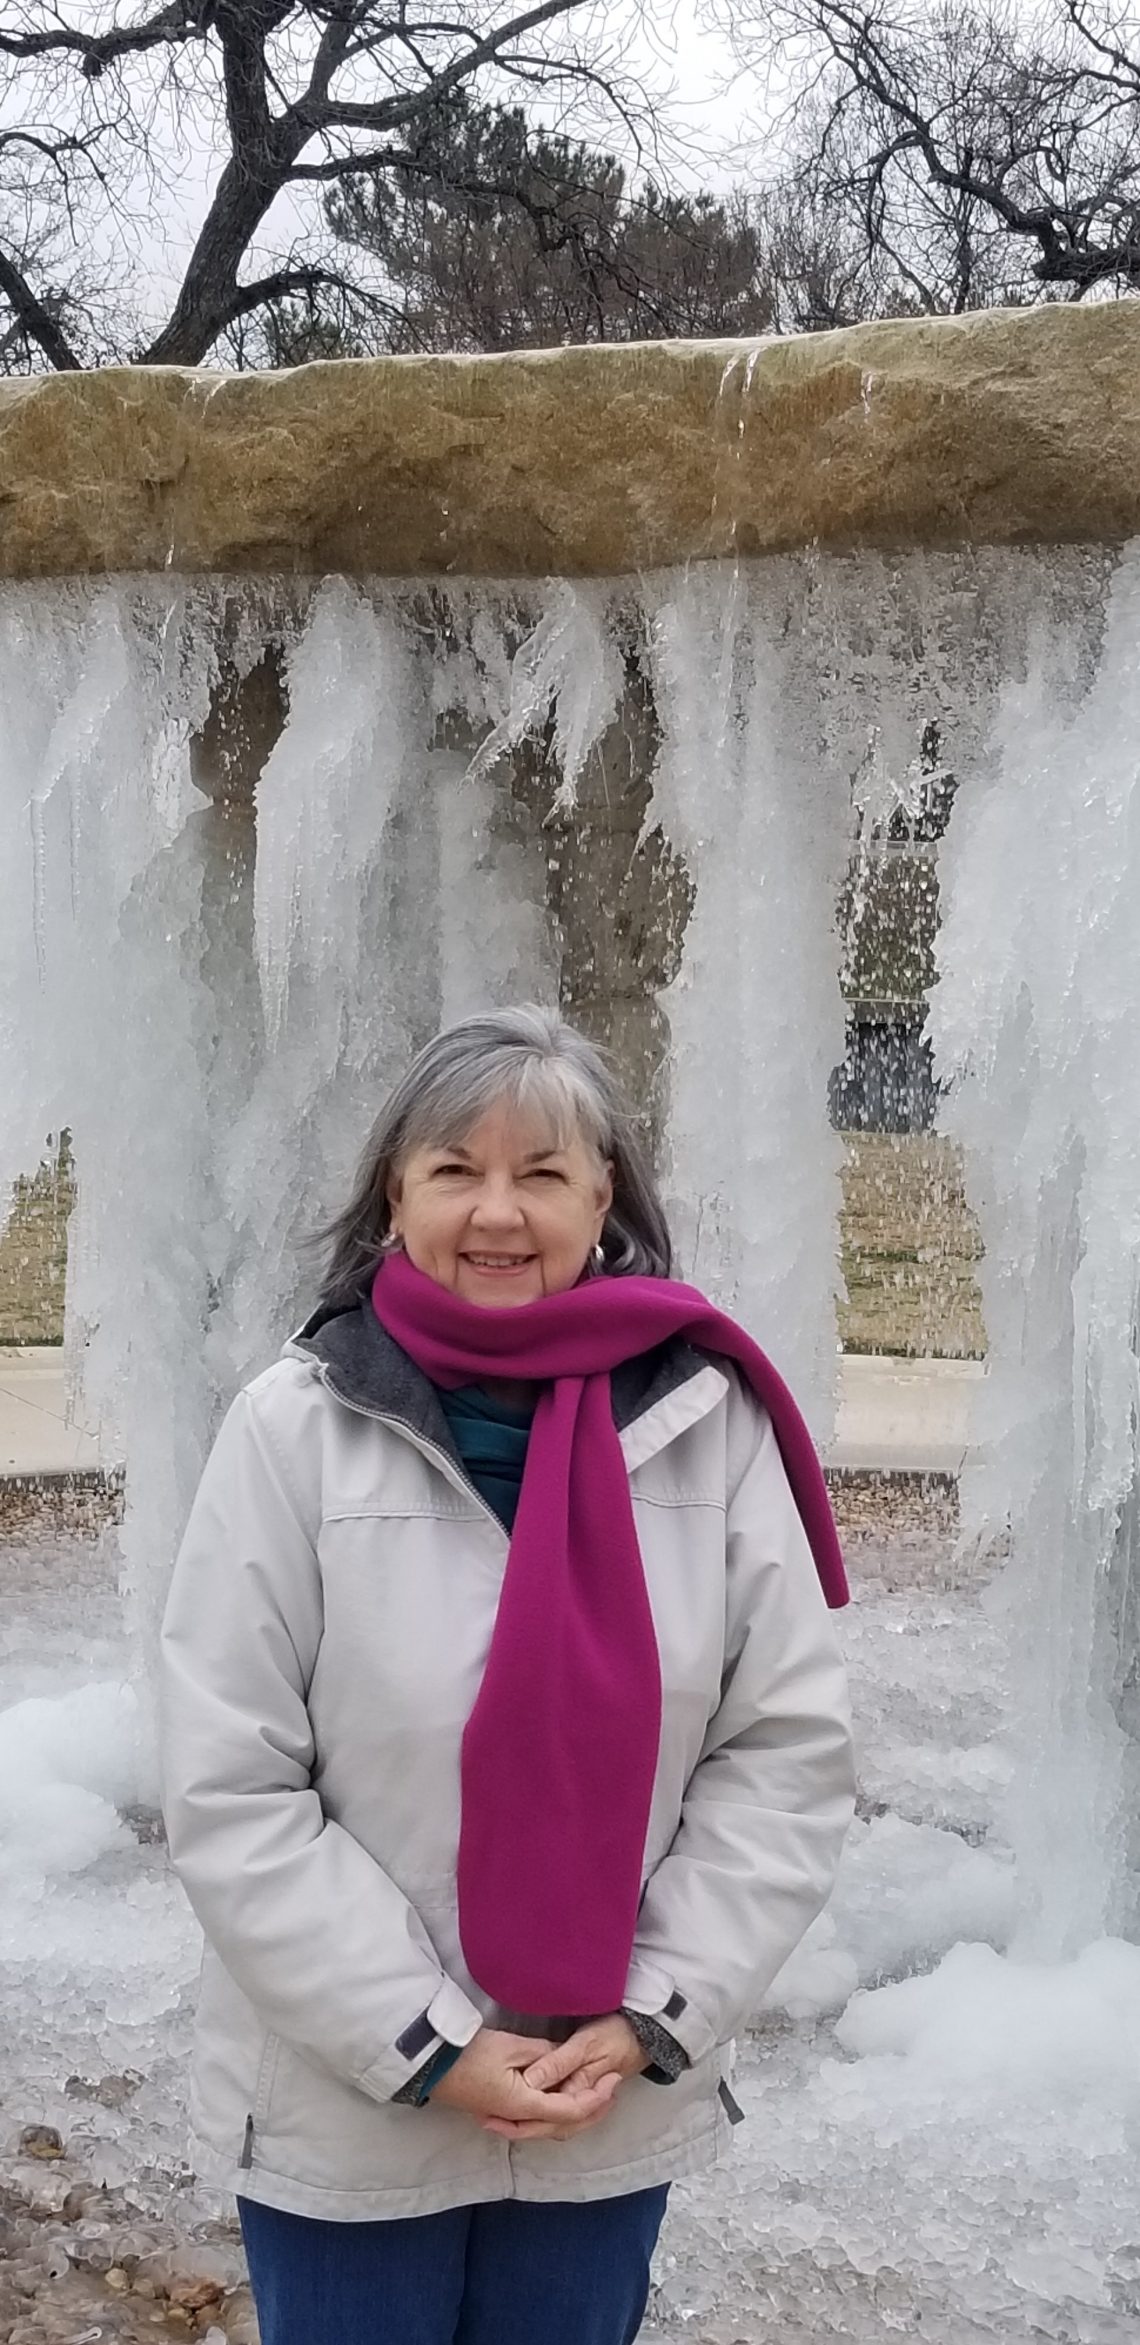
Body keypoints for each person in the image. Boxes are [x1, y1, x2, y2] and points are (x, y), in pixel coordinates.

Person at [159, 1005, 855, 2345]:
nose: (498, 1212)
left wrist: (653, 2009)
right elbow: (229, 1780)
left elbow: (787, 1754)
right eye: (453, 1171)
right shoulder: (294, 1430)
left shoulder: (709, 1428)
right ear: (393, 1193)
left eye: (542, 1173)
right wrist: (426, 2041)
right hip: (349, 2107)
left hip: (604, 2087)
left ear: (605, 1196)